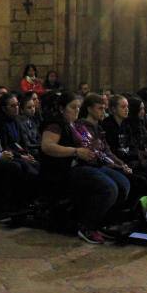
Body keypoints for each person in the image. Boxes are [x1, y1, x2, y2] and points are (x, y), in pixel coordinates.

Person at [39, 90, 128, 245]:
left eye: (78, 107)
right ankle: (87, 226)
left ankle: (101, 222)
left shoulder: (73, 124)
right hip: (63, 170)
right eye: (73, 107)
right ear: (62, 108)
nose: (77, 111)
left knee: (123, 183)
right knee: (109, 188)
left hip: (83, 166)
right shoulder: (55, 124)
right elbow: (47, 146)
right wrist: (75, 151)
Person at [0, 93, 40, 174]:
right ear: (4, 108)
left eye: (17, 104)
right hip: (10, 155)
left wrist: (27, 154)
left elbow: (22, 142)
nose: (17, 107)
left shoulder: (16, 120)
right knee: (27, 169)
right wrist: (21, 156)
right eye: (13, 106)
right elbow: (4, 146)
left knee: (37, 164)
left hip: (19, 153)